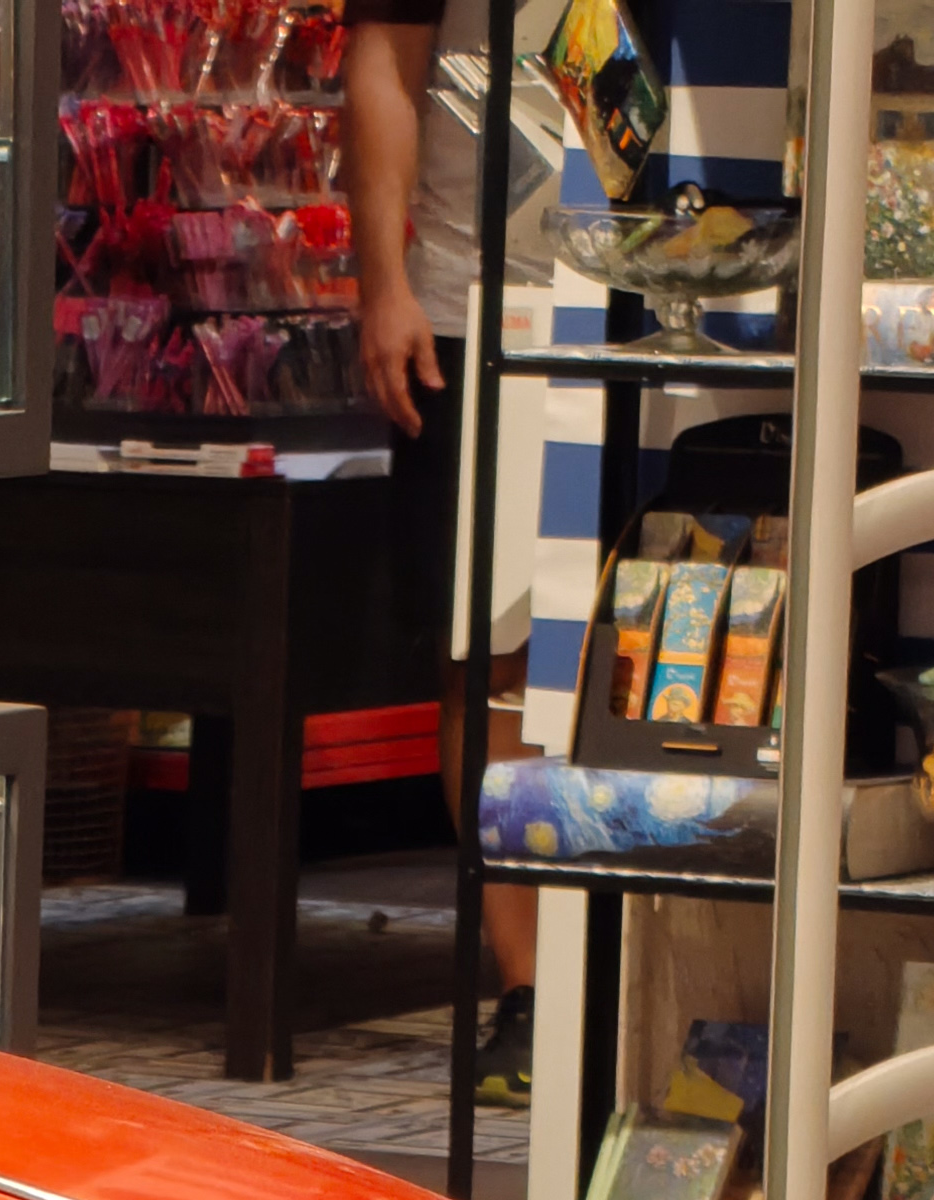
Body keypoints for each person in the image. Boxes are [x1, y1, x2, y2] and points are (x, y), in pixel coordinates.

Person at [341, 0, 546, 1103]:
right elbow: (383, 58)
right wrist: (384, 284)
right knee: (488, 652)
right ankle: (531, 988)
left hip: (658, 291)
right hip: (475, 306)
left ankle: (626, 969)